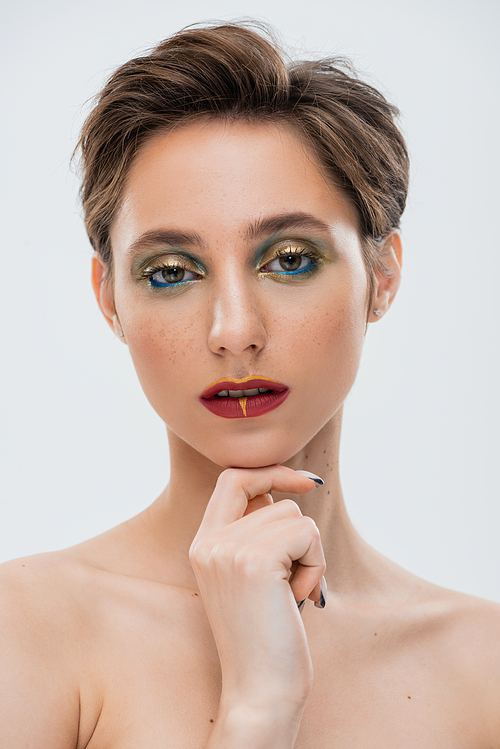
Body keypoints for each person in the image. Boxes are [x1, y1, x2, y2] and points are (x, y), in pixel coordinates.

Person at [1, 20, 499, 748]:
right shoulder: (28, 629)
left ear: (382, 275)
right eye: (171, 272)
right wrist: (258, 709)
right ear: (110, 298)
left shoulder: (483, 667)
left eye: (290, 259)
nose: (234, 330)